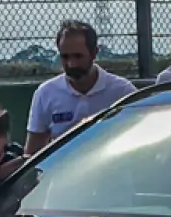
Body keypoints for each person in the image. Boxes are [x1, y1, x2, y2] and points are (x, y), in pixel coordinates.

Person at [24, 20, 136, 151]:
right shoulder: (45, 93)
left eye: (78, 56)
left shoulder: (122, 91)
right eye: (65, 57)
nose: (71, 64)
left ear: (94, 53)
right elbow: (33, 152)